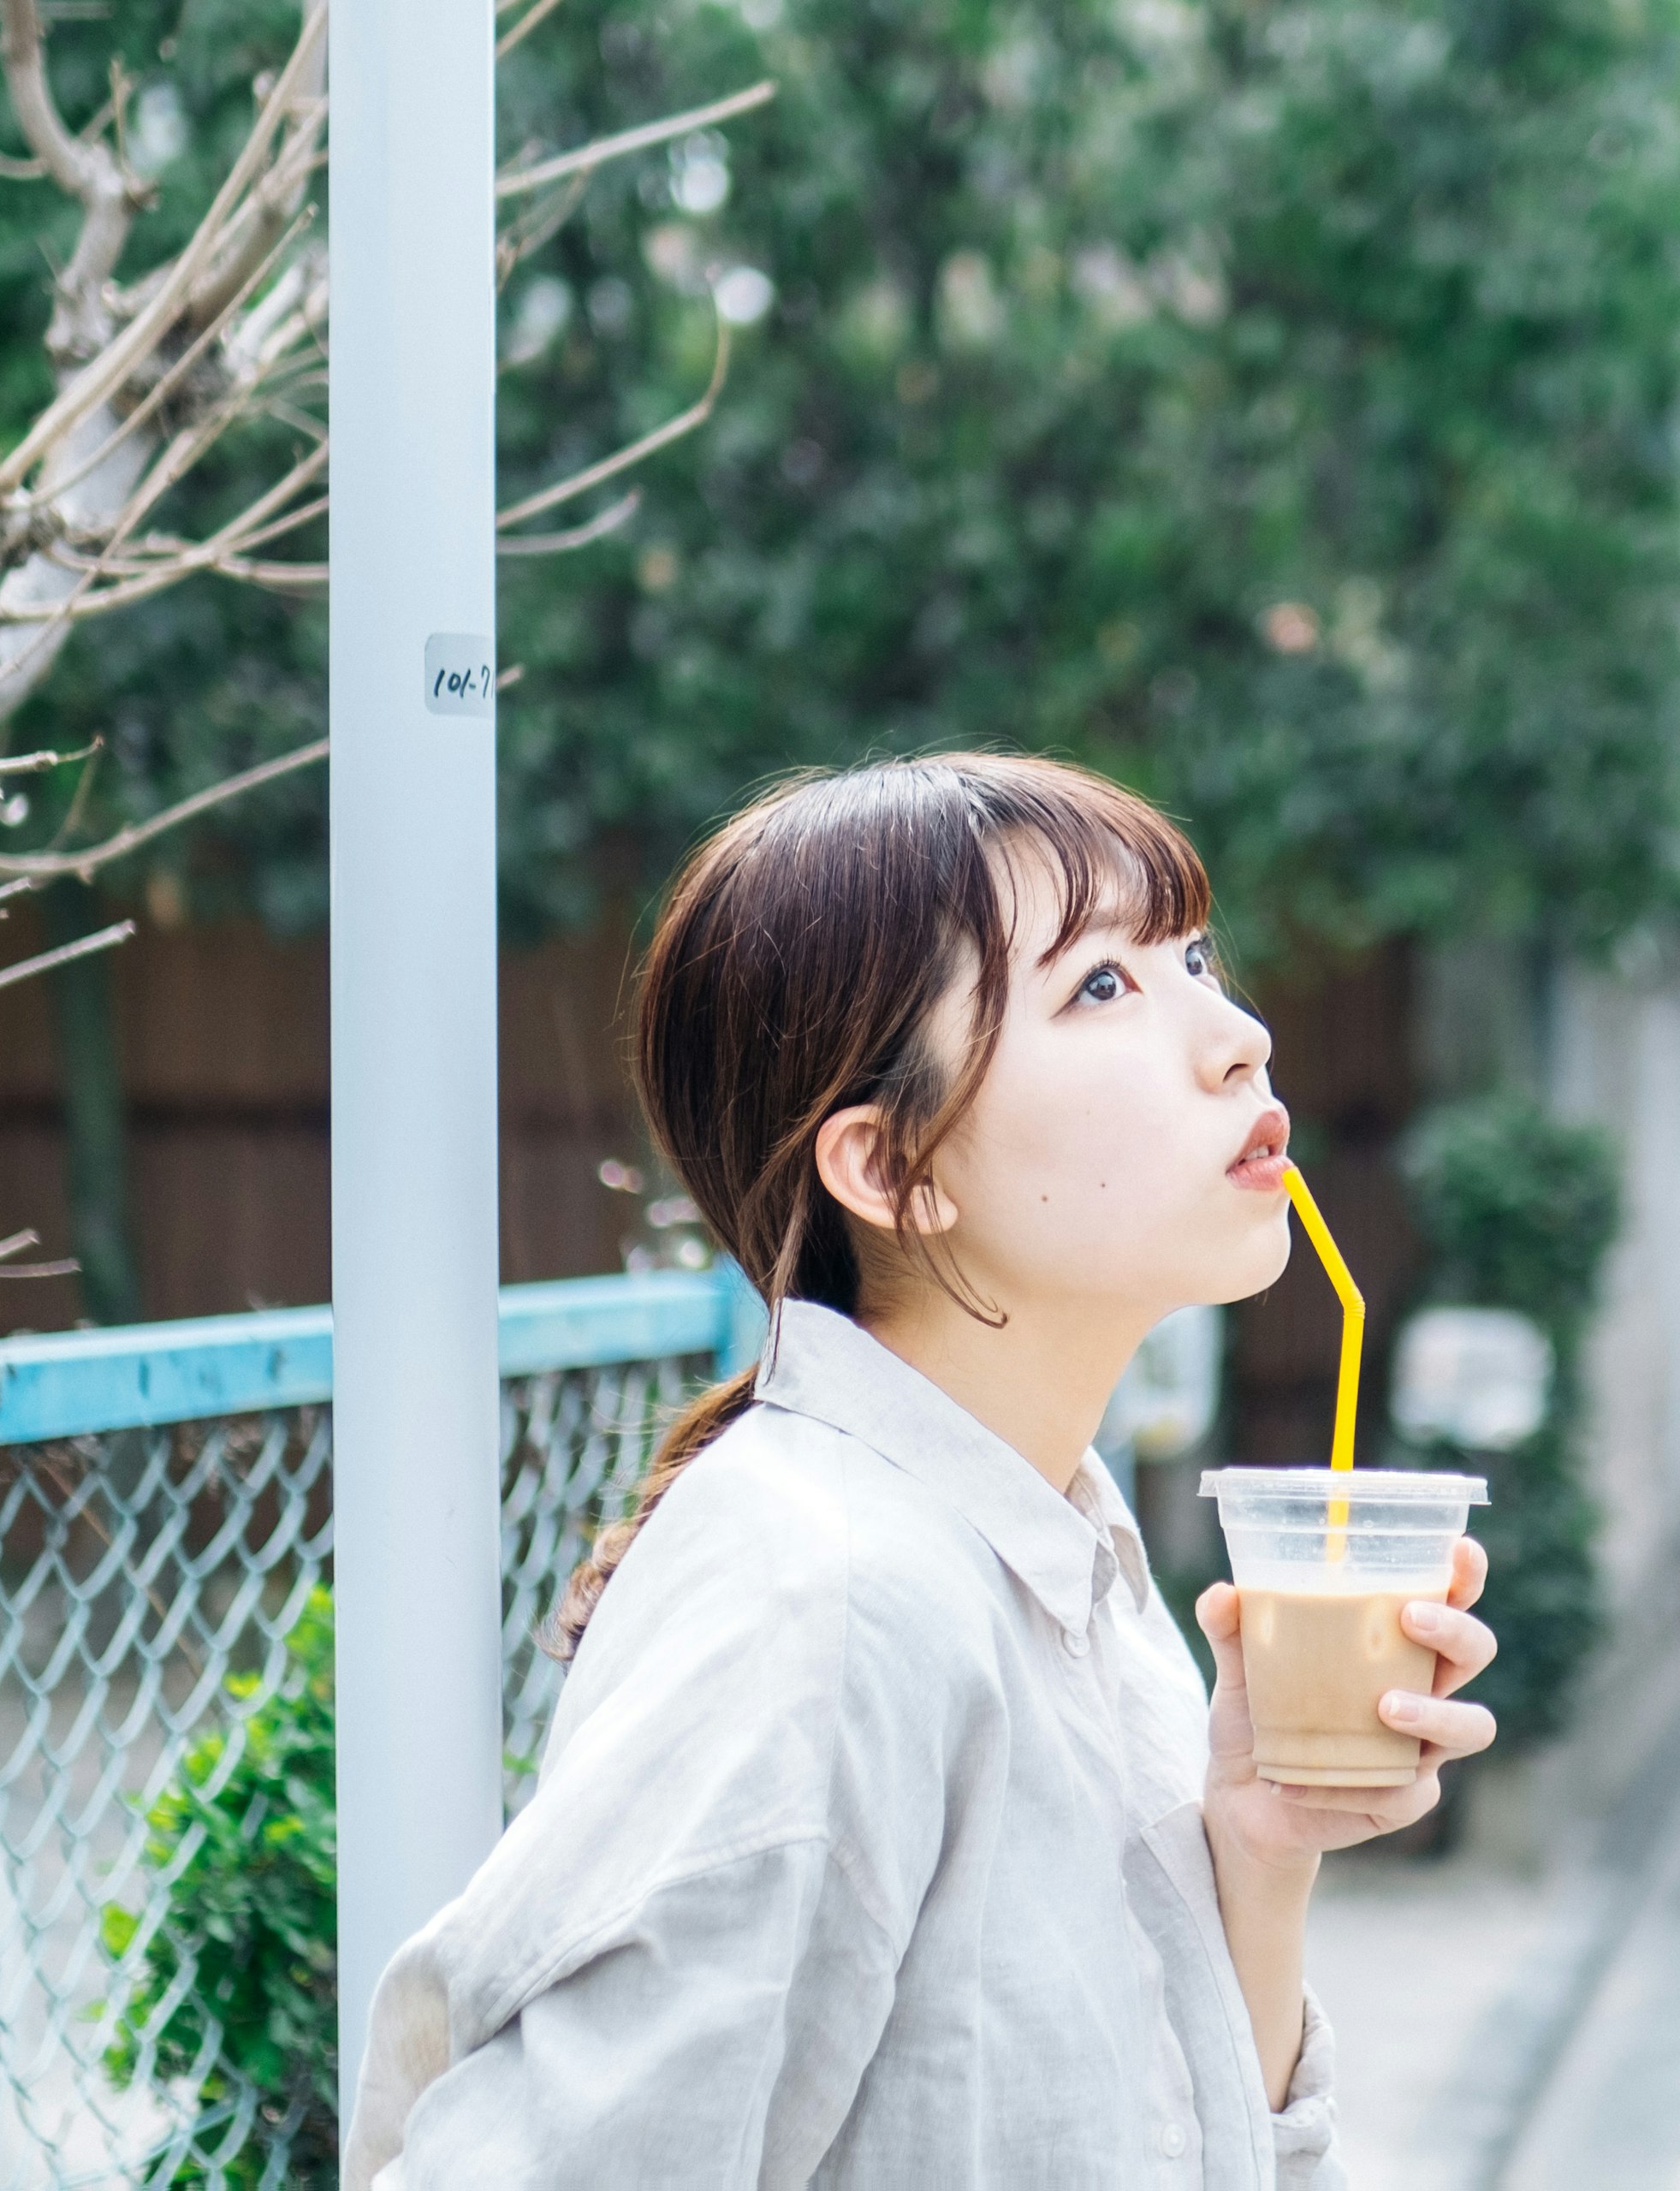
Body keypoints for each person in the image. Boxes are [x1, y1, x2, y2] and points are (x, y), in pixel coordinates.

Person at [344, 755, 1498, 2188]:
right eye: (1101, 989)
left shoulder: (1062, 1551)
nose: (1240, 1038)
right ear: (894, 1170)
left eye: (1193, 957)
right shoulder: (825, 1600)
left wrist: (1257, 1861)